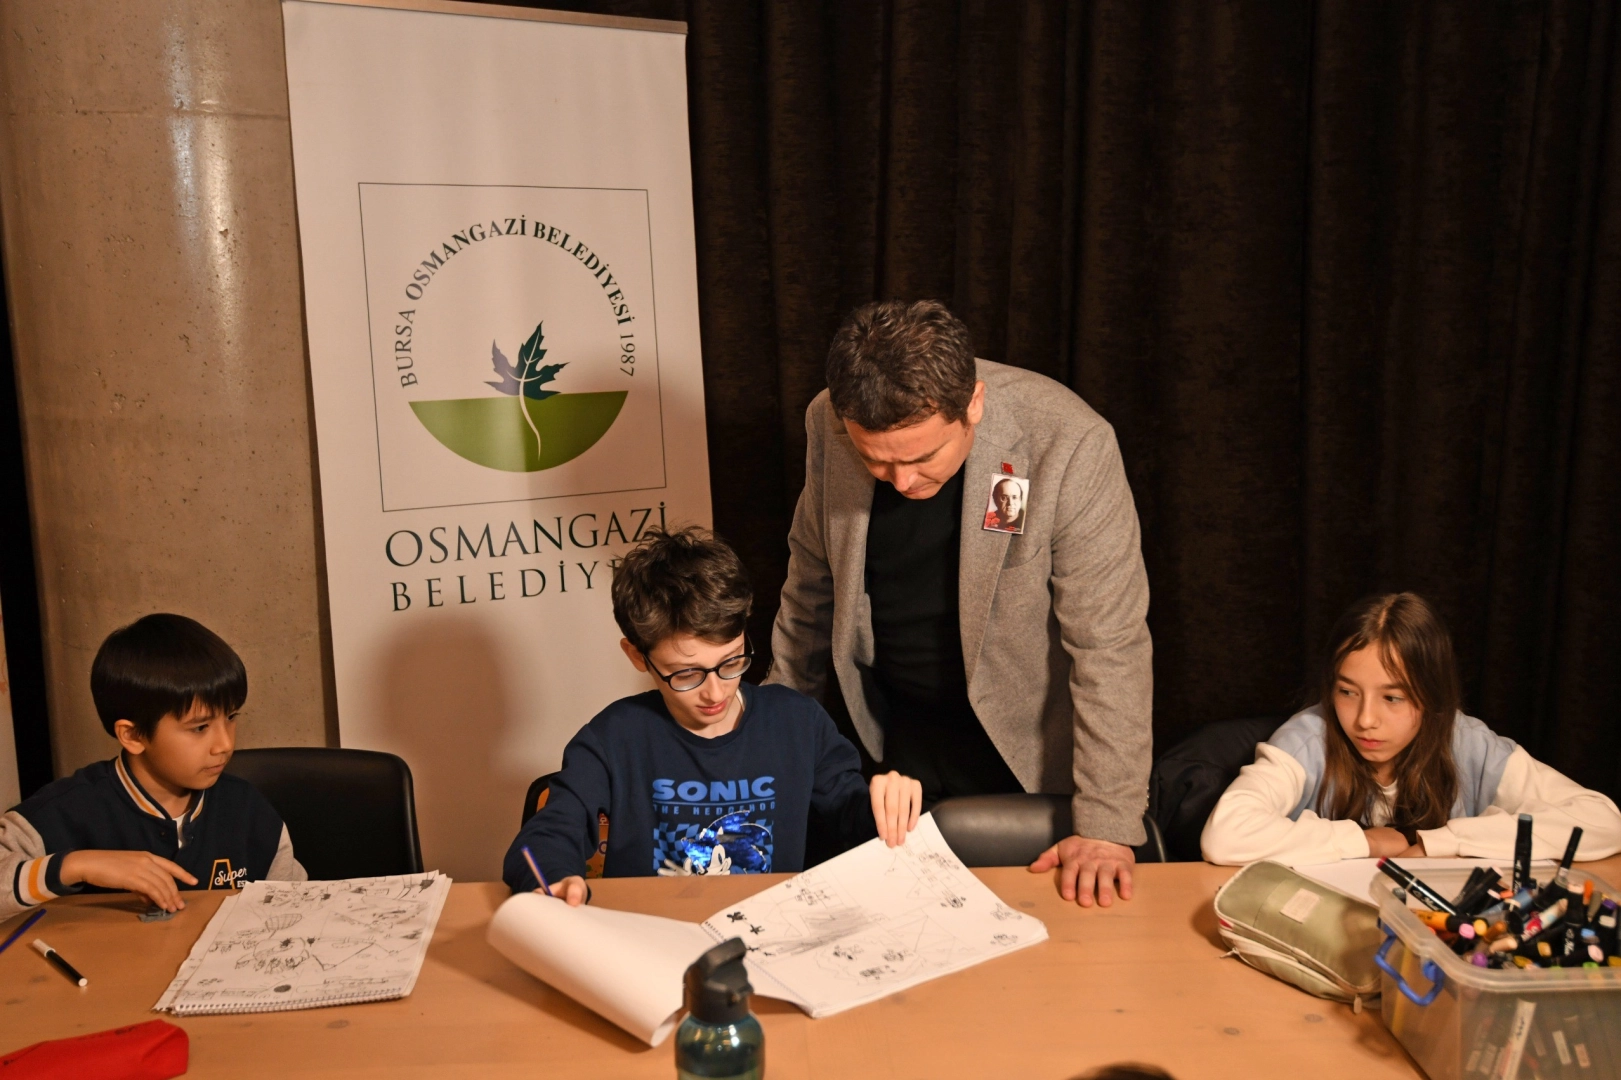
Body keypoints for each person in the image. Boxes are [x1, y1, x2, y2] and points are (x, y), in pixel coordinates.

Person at [769, 300, 1153, 907]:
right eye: (876, 460)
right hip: (897, 743)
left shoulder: (1068, 440)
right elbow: (809, 591)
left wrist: (1106, 823)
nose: (901, 482)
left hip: (1024, 749)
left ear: (973, 404)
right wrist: (770, 744)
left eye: (922, 457)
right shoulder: (828, 418)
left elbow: (1110, 644)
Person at [505, 527, 923, 905]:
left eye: (732, 662)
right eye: (686, 674)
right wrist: (553, 877)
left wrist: (885, 807)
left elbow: (851, 826)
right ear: (637, 656)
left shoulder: (798, 724)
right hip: (647, 938)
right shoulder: (613, 738)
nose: (715, 691)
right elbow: (546, 837)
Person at [1201, 592, 1621, 865]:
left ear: (1433, 695)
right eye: (1347, 692)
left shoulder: (1467, 742)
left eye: (1393, 698)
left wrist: (1446, 842)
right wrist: (1366, 842)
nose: (1365, 719)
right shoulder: (1308, 739)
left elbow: (1603, 820)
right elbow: (1225, 835)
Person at [0, 614, 305, 919]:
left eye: (231, 717)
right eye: (200, 727)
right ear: (133, 736)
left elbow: (300, 907)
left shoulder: (247, 809)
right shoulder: (67, 810)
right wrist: (76, 865)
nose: (224, 744)